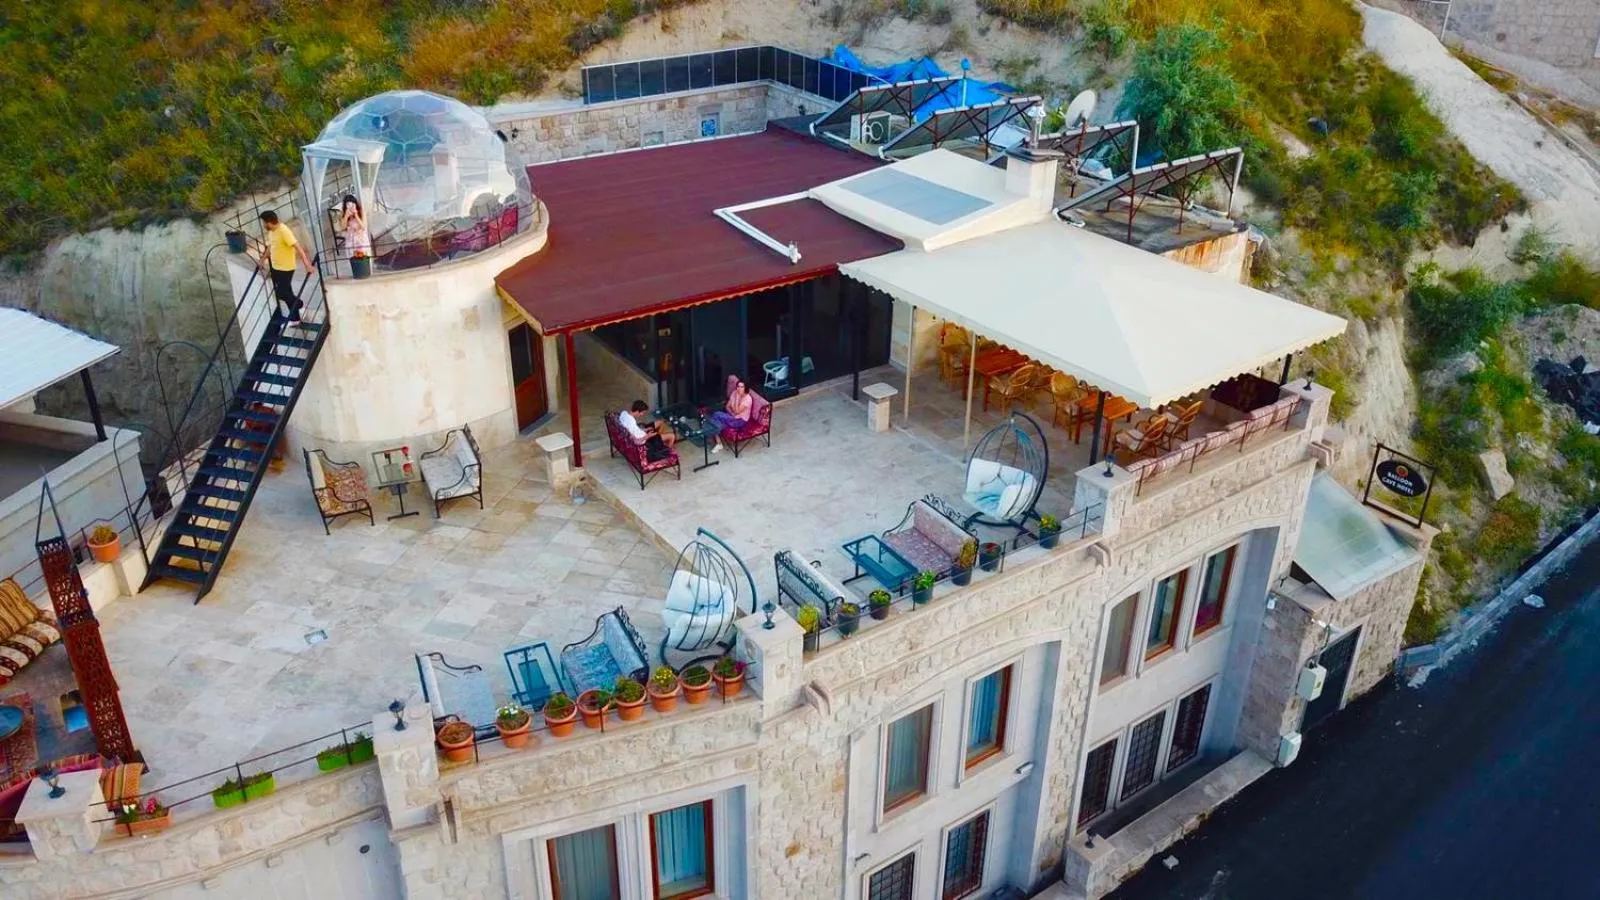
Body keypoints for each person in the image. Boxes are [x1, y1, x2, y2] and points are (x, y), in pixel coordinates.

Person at [259, 211, 315, 323]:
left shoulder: (284, 231)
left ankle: (300, 305)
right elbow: (270, 247)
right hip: (276, 267)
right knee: (287, 293)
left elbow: (298, 247)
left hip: (286, 268)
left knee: (281, 293)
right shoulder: (271, 232)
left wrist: (307, 265)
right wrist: (262, 259)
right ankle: (295, 318)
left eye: (264, 222)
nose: (263, 225)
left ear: (269, 222)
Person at [706, 377, 754, 453]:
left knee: (716, 415)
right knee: (716, 420)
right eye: (738, 386)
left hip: (740, 421)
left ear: (746, 388)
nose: (739, 389)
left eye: (742, 387)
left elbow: (737, 411)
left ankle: (711, 436)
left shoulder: (747, 399)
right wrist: (732, 413)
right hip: (732, 417)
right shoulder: (735, 392)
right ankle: (718, 443)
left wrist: (736, 399)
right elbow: (727, 406)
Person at [340, 194, 372, 261]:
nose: (351, 206)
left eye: (352, 204)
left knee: (362, 260)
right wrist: (346, 216)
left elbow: (364, 227)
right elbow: (343, 227)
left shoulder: (361, 211)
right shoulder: (344, 213)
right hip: (351, 240)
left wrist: (356, 215)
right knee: (354, 261)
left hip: (361, 240)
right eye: (348, 204)